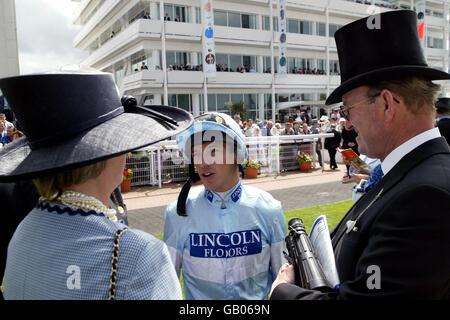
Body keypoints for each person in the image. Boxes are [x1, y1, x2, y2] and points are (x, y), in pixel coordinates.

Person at [270, 10, 450, 299]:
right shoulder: (409, 174)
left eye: (348, 109)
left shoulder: (425, 194)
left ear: (387, 105)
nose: (348, 123)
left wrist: (282, 292)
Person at [0, 70, 193, 300]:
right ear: (103, 154)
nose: (127, 151)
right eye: (119, 139)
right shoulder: (139, 255)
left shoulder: (24, 231)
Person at [163, 113, 287, 299]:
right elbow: (166, 288)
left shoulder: (269, 209)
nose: (203, 163)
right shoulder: (177, 213)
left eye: (213, 152)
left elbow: (285, 283)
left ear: (236, 155)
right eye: (197, 154)